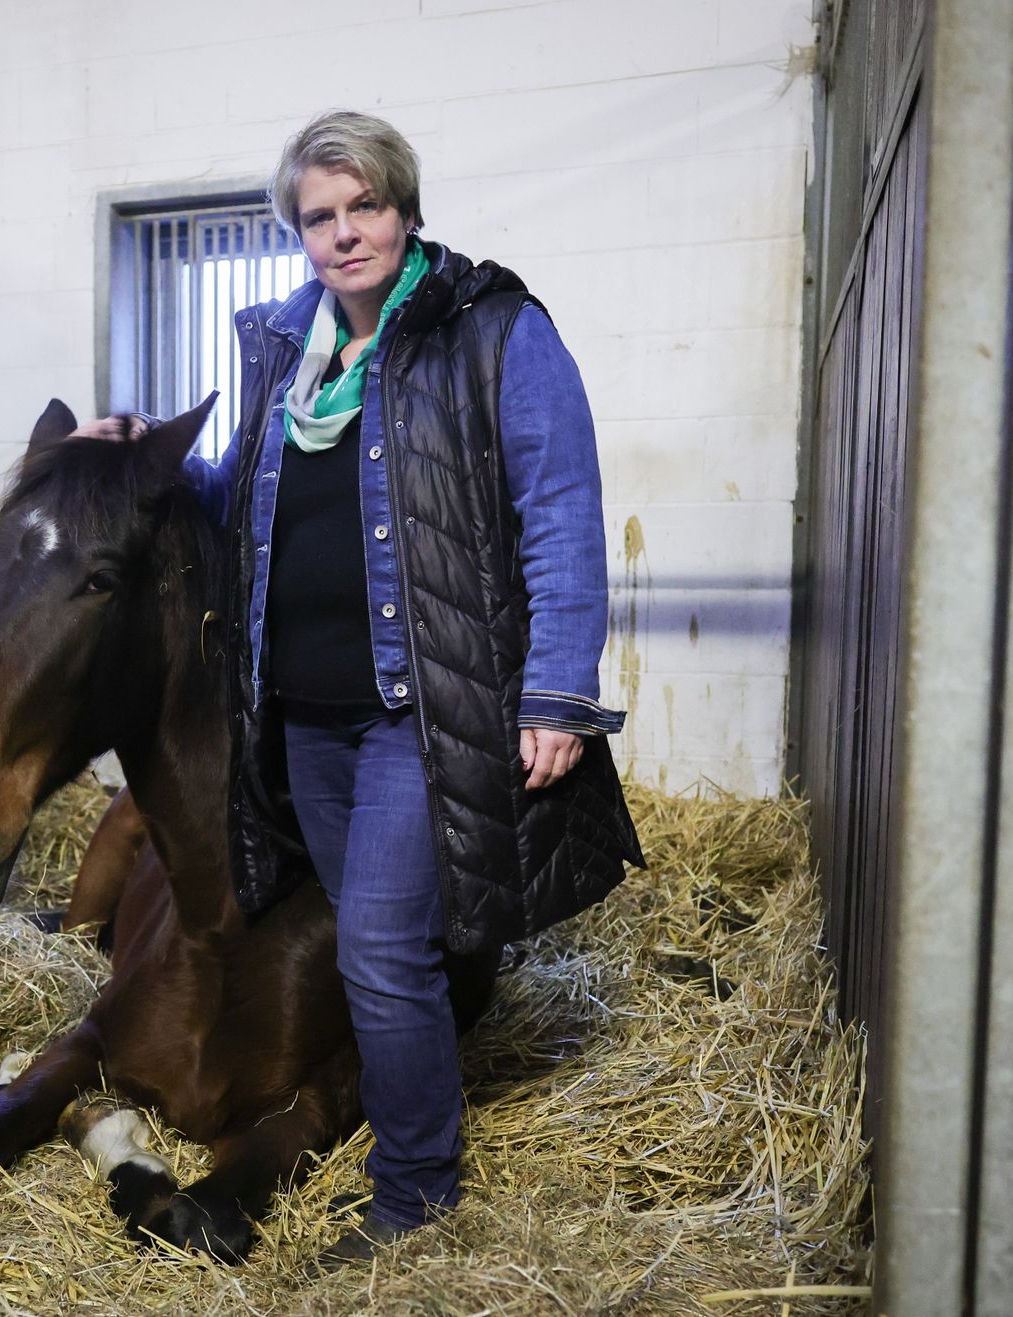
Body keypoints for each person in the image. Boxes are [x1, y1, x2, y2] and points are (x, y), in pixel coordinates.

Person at [180, 109, 645, 1268]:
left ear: (402, 205)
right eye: (317, 218)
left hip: (419, 711)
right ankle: (414, 1105)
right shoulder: (288, 350)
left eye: (362, 208)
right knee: (379, 943)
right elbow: (237, 493)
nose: (342, 236)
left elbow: (559, 513)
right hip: (304, 714)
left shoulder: (488, 328)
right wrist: (136, 446)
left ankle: (415, 1198)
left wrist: (555, 694)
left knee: (379, 950)